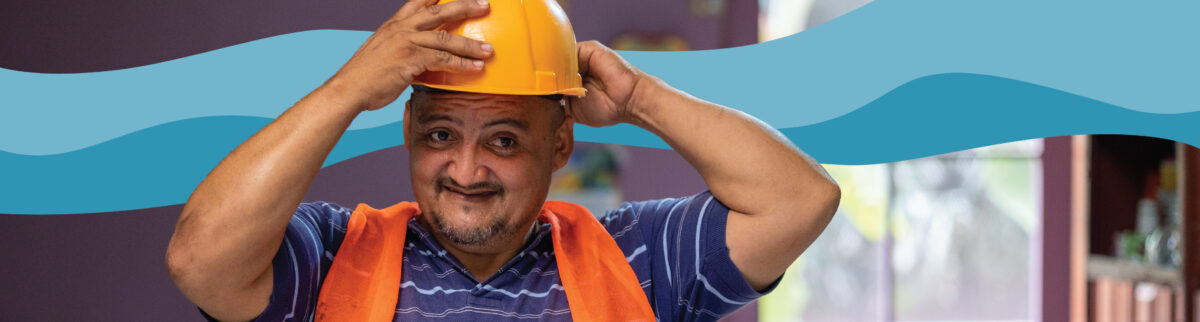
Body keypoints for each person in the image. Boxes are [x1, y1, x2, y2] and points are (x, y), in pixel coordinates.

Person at [165, 0, 841, 320]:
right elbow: (200, 260)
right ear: (406, 128)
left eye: (505, 140)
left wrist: (641, 100)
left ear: (561, 146)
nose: (465, 170)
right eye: (439, 135)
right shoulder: (330, 258)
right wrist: (347, 89)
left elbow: (800, 199)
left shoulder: (637, 262)